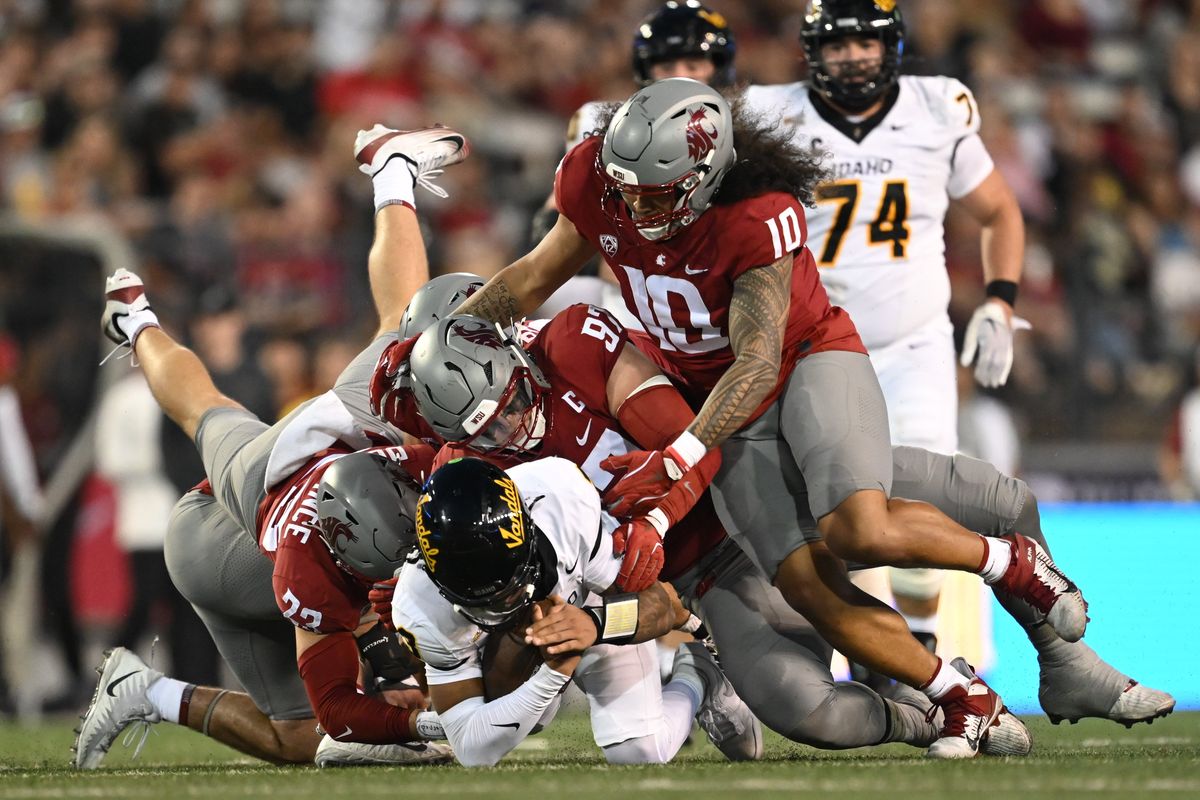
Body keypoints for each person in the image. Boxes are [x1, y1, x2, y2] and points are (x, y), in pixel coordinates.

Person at [448, 77, 1092, 758]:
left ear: (702, 176)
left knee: (858, 522)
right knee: (808, 630)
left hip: (788, 373)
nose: (634, 206)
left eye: (655, 191)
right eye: (624, 186)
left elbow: (754, 364)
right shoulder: (594, 191)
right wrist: (447, 338)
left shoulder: (752, 214)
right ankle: (958, 700)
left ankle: (1004, 559)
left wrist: (671, 472)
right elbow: (528, 277)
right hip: (712, 451)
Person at [73, 125, 472, 769]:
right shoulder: (319, 548)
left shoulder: (409, 399)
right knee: (315, 733)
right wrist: (424, 719)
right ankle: (390, 169)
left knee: (211, 408)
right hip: (245, 517)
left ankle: (135, 320)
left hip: (299, 466)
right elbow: (341, 707)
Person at [743, 0, 1028, 687]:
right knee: (833, 514)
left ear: (892, 45)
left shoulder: (938, 107)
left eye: (864, 43)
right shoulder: (767, 112)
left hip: (912, 346)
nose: (851, 58)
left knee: (919, 502)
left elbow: (997, 210)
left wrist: (1000, 297)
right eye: (836, 46)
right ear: (811, 51)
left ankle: (917, 646)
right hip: (813, 350)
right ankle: (868, 650)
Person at [393, 455, 761, 767]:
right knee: (509, 711)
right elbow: (471, 746)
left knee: (641, 750)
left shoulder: (561, 504)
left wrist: (592, 624)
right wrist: (555, 670)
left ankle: (698, 675)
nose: (508, 603)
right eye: (488, 601)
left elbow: (664, 602)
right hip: (512, 658)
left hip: (588, 604)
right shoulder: (419, 606)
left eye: (512, 587)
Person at [530, 0, 736, 324]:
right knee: (561, 300)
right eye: (667, 67)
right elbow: (554, 217)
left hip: (718, 291)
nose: (681, 77)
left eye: (694, 64)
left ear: (719, 67)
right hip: (631, 290)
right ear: (645, 71)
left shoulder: (748, 129)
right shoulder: (605, 124)